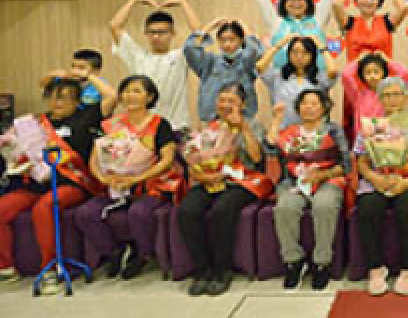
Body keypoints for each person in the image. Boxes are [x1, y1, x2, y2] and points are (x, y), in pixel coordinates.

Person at [0, 77, 116, 292]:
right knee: (2, 208)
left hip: (72, 182)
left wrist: (85, 75)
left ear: (77, 101)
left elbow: (111, 96)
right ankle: (5, 267)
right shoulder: (35, 123)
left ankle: (51, 269)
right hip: (35, 182)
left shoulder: (84, 118)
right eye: (53, 97)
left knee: (44, 207)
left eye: (64, 98)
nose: (57, 102)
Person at [75, 75, 179, 281]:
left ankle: (142, 254)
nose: (130, 95)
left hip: (149, 184)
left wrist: (138, 178)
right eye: (126, 91)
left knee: (139, 213)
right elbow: (95, 159)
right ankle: (113, 252)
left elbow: (167, 160)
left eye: (136, 91)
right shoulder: (110, 125)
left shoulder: (160, 124)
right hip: (115, 185)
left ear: (150, 97)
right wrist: (103, 178)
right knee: (85, 213)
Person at [177, 82, 272, 296]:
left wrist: (243, 127)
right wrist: (201, 175)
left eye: (232, 100)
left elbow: (256, 158)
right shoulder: (208, 128)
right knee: (187, 210)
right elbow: (194, 158)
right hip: (208, 181)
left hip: (241, 181)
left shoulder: (253, 125)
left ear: (243, 104)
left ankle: (222, 270)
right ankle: (202, 270)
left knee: (223, 209)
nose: (226, 104)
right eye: (222, 100)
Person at [353, 77, 408, 296]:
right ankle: (376, 268)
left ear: (405, 97)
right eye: (386, 95)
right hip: (377, 179)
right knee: (368, 207)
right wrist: (375, 178)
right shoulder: (371, 125)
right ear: (380, 99)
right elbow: (361, 161)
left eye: (396, 94)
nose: (392, 99)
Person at [266, 89, 350, 290]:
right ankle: (293, 261)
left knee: (324, 205)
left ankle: (322, 263)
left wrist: (322, 175)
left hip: (328, 179)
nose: (309, 108)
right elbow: (270, 149)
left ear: (324, 108)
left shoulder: (333, 131)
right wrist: (276, 121)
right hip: (294, 181)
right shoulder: (290, 131)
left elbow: (346, 165)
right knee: (285, 207)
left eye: (314, 103)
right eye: (305, 103)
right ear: (298, 108)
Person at [110, 0, 200, 133]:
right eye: (151, 32)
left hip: (176, 127)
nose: (156, 36)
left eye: (162, 32)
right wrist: (134, 0)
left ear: (172, 33)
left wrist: (183, 3)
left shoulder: (181, 56)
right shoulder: (136, 56)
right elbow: (115, 26)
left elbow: (199, 33)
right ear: (145, 33)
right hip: (144, 127)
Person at [251, 0, 337, 70]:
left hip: (316, 76)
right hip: (284, 77)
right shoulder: (276, 22)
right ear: (284, 3)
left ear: (308, 1)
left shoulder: (318, 18)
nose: (296, 3)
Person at [184, 18, 263, 121]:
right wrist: (211, 26)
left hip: (243, 120)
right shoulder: (209, 61)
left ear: (241, 41)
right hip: (212, 120)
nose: (227, 44)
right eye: (223, 40)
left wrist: (243, 26)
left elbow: (254, 50)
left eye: (232, 39)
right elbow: (190, 49)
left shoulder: (246, 62)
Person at [257, 34, 338, 127]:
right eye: (294, 52)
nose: (299, 56)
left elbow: (333, 71)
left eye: (305, 52)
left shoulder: (319, 77)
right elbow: (260, 66)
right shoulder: (279, 76)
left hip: (312, 131)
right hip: (283, 131)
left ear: (312, 55)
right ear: (288, 54)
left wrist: (322, 47)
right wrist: (280, 44)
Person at [332, 0, 408, 63]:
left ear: (379, 2)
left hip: (384, 71)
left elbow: (403, 7)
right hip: (354, 71)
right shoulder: (349, 22)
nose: (368, 1)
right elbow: (336, 3)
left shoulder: (387, 21)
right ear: (356, 0)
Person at [342, 52, 408, 142]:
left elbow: (404, 74)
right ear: (362, 75)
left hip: (386, 140)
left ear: (384, 73)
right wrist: (357, 61)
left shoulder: (389, 93)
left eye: (376, 72)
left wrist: (388, 61)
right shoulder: (358, 94)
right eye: (368, 73)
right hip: (363, 141)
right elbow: (346, 75)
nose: (372, 76)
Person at [40, 48, 108, 107]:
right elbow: (43, 83)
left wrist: (89, 76)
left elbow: (109, 96)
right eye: (73, 66)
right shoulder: (68, 80)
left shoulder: (100, 83)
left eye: (81, 68)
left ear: (95, 71)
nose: (75, 71)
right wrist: (54, 74)